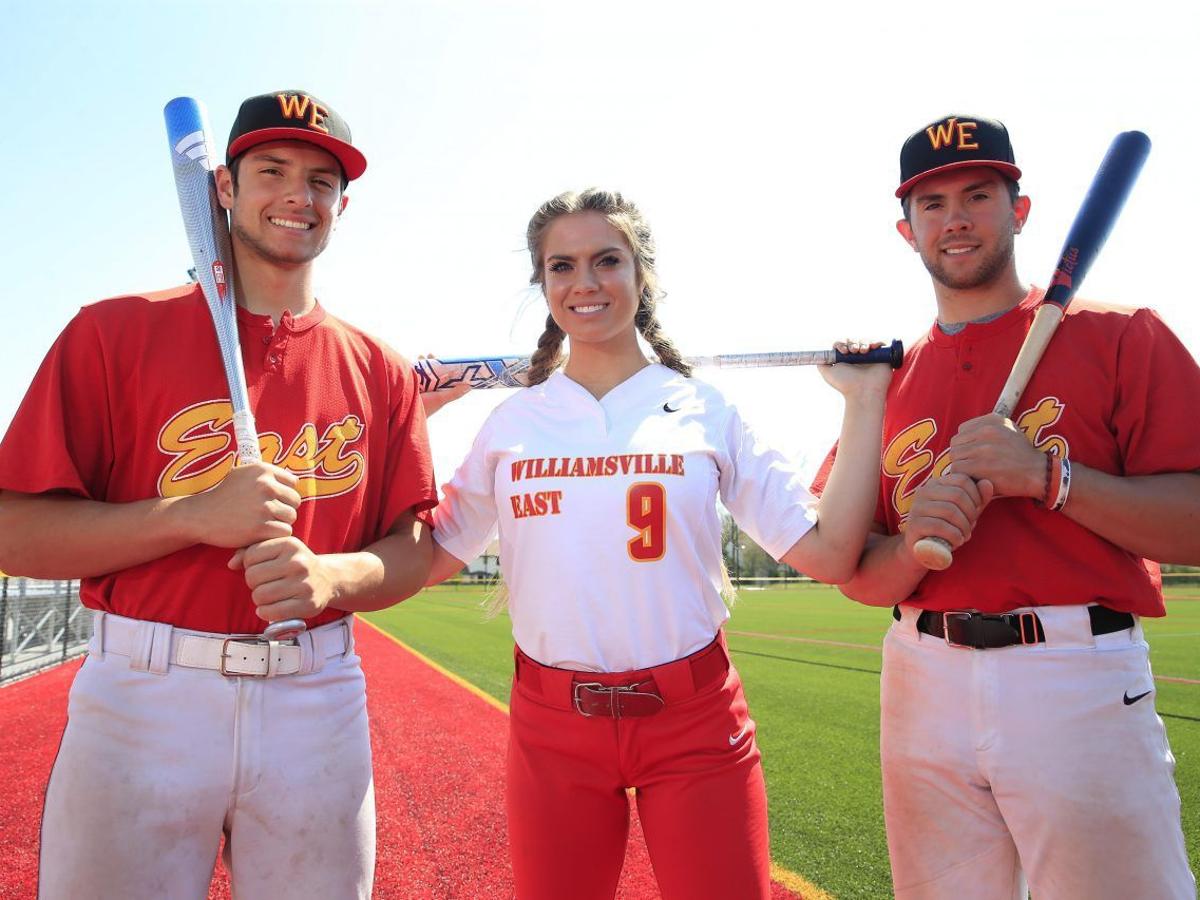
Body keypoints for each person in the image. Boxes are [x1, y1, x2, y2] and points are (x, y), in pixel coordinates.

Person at [0, 90, 436, 898]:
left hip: (316, 695)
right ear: (224, 188)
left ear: (343, 205)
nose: (298, 195)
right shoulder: (112, 332)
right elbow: (13, 533)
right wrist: (193, 517)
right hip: (145, 692)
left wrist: (331, 577)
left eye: (322, 180)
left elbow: (414, 549)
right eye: (272, 170)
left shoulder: (378, 368)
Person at [424, 188, 892, 899]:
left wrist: (864, 402)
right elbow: (430, 560)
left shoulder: (706, 409)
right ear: (541, 283)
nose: (585, 282)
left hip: (694, 722)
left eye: (607, 260)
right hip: (553, 726)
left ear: (641, 273)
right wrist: (413, 420)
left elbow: (831, 555)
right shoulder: (513, 422)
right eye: (561, 266)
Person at [819, 114, 1199, 899]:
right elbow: (854, 570)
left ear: (1019, 211)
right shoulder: (888, 381)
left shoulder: (1121, 334)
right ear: (908, 231)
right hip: (921, 676)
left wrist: (1051, 478)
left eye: (978, 195)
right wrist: (910, 544)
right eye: (932, 204)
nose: (955, 218)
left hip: (1076, 674)